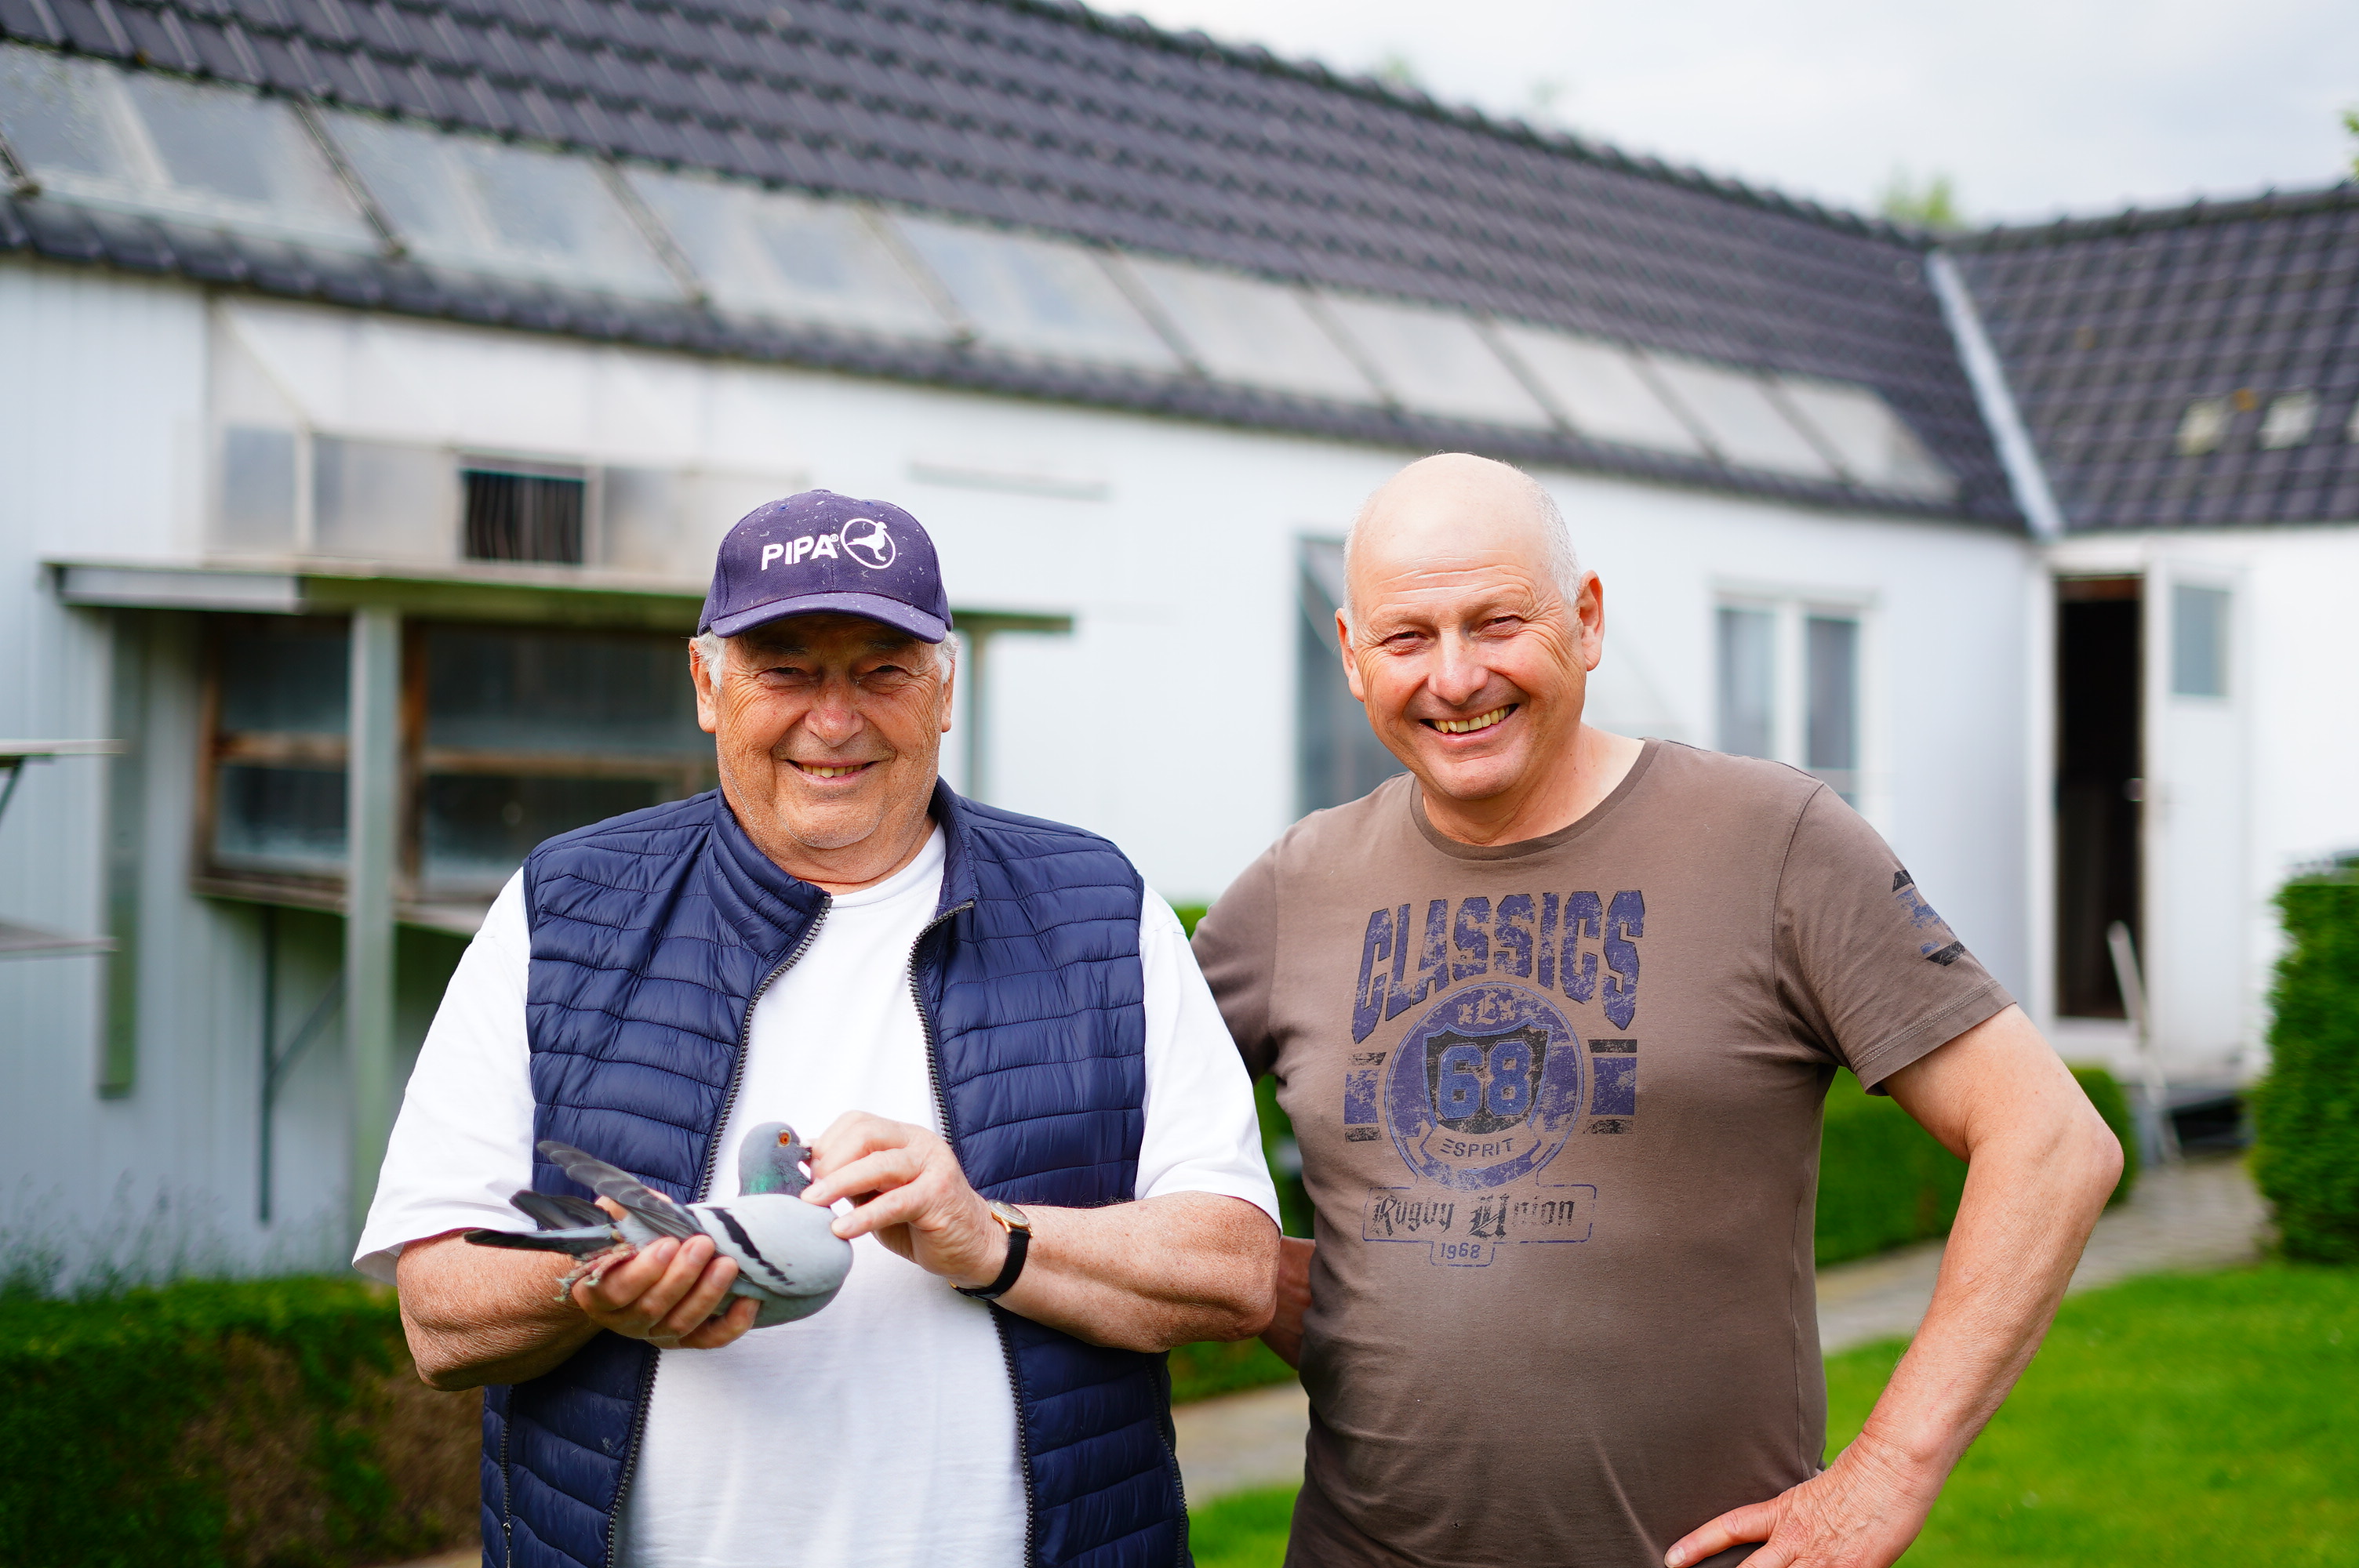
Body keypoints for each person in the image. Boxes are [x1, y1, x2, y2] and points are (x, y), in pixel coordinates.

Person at [1190, 453, 2122, 1568]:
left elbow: (2054, 1144)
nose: (1453, 677)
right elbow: (1112, 1147)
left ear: (1585, 620)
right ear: (1350, 654)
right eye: (1407, 638)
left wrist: (1888, 1473)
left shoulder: (1771, 842)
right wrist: (1288, 1285)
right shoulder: (1296, 890)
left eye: (1496, 623)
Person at [358, 490, 1280, 1568]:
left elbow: (1235, 1272)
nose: (833, 720)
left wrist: (990, 1238)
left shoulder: (1096, 907)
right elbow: (439, 1311)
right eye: (785, 669)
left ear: (944, 691)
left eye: (881, 670)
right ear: (708, 685)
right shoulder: (564, 910)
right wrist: (599, 1281)